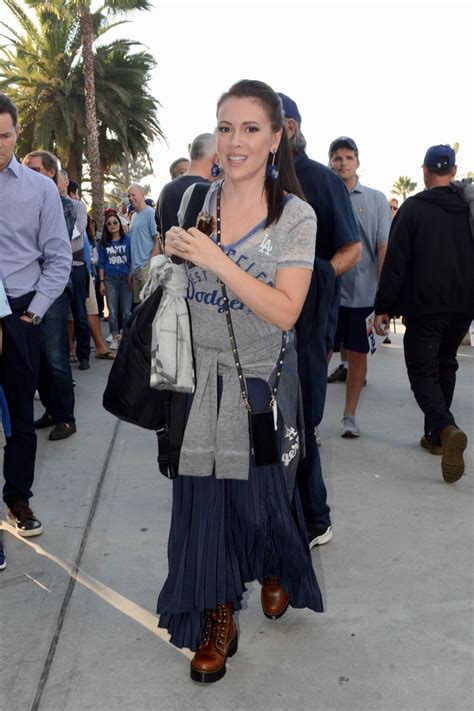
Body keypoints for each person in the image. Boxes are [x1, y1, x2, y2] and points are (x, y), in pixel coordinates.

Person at [157, 79, 323, 683]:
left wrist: (215, 259)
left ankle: (277, 563)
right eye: (225, 127)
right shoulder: (191, 200)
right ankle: (217, 618)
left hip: (260, 385)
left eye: (251, 129)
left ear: (277, 138)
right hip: (197, 383)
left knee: (262, 504)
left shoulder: (294, 216)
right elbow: (171, 281)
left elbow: (285, 311)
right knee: (205, 509)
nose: (234, 141)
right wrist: (171, 257)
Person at [277, 93, 361, 548]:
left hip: (308, 324)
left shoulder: (322, 181)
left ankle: (315, 518)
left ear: (287, 128)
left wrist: (318, 272)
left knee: (301, 419)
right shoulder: (251, 181)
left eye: (259, 126)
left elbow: (351, 249)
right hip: (255, 322)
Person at [375, 145, 473, 483]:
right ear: (454, 170)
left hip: (424, 306)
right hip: (463, 306)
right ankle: (435, 437)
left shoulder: (414, 208)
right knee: (445, 364)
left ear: (425, 171)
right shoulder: (467, 209)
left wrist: (384, 306)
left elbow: (395, 263)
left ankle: (445, 429)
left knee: (422, 372)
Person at [0, 93, 71, 535]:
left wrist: (34, 316)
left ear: (16, 133)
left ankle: (18, 500)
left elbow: (59, 258)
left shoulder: (40, 188)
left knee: (22, 419)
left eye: (4, 135)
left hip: (21, 315)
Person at [327, 136, 390, 437]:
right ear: (330, 162)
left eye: (348, 158)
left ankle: (349, 416)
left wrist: (383, 297)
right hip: (328, 294)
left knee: (357, 356)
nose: (342, 163)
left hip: (364, 295)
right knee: (321, 354)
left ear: (358, 162)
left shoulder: (376, 199)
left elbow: (382, 248)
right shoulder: (323, 194)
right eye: (337, 158)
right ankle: (309, 421)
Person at [22, 151, 77, 441]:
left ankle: (67, 418)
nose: (26, 172)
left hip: (53, 291)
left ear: (50, 174)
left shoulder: (64, 205)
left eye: (33, 168)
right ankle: (51, 411)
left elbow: (52, 247)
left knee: (55, 356)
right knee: (39, 358)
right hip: (28, 290)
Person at [154, 132, 217, 242]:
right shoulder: (211, 191)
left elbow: (160, 234)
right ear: (215, 159)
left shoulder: (166, 190)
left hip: (171, 257)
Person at [98, 211, 132, 348]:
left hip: (125, 279)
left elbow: (131, 259)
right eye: (109, 224)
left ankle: (126, 336)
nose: (112, 225)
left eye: (115, 222)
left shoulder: (128, 240)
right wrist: (101, 282)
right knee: (112, 312)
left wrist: (131, 275)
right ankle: (114, 337)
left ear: (120, 224)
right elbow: (101, 264)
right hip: (110, 279)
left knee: (127, 312)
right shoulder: (104, 243)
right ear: (106, 227)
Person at [127, 183, 159, 305]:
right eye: (128, 196)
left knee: (149, 307)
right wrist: (131, 271)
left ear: (142, 194)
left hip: (146, 269)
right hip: (135, 271)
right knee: (139, 309)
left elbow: (158, 240)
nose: (130, 198)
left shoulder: (151, 213)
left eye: (133, 195)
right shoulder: (134, 216)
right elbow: (134, 245)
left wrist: (150, 265)